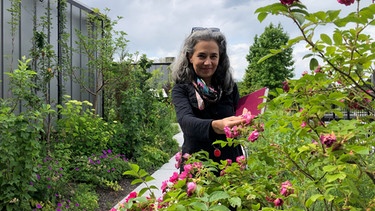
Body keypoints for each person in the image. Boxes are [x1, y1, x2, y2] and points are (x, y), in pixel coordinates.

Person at [171, 27, 244, 170]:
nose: (208, 62)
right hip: (197, 166)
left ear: (220, 57)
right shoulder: (182, 89)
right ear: (190, 56)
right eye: (202, 56)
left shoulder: (229, 87)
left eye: (213, 56)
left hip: (230, 164)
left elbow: (238, 116)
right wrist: (216, 126)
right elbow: (186, 122)